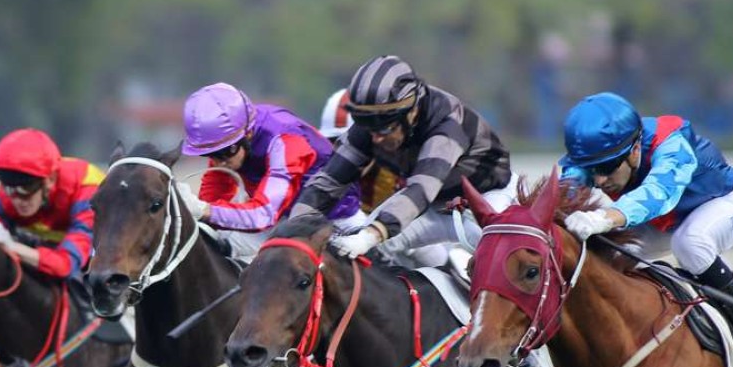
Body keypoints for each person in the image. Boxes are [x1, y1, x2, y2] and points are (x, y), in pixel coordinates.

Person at [558, 91, 733, 367]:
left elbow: (657, 194)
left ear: (635, 149)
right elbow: (563, 194)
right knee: (613, 258)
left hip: (720, 202)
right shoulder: (595, 154)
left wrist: (604, 218)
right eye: (592, 170)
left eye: (607, 168)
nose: (598, 181)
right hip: (664, 220)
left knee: (690, 243)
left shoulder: (672, 146)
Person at [291, 55, 514, 266]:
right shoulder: (373, 124)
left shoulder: (446, 124)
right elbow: (329, 180)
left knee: (489, 248)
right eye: (368, 127)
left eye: (385, 127)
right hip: (436, 205)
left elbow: (421, 188)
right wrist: (293, 229)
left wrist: (371, 235)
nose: (376, 138)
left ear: (412, 111)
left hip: (488, 198)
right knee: (374, 251)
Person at [177, 82, 364, 260]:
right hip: (282, 221)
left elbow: (263, 215)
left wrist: (203, 210)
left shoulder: (285, 140)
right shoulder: (229, 143)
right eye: (210, 154)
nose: (219, 162)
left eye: (224, 152)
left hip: (336, 223)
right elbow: (212, 200)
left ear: (248, 133)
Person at [0, 128, 103, 282]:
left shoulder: (88, 192)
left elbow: (66, 266)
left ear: (50, 180)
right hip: (52, 241)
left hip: (99, 247)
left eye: (26, 187)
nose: (17, 200)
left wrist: (13, 247)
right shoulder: (8, 194)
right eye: (8, 186)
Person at [317, 88, 405, 214]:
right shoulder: (316, 174)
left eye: (354, 144)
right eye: (336, 142)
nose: (345, 152)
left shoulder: (402, 177)